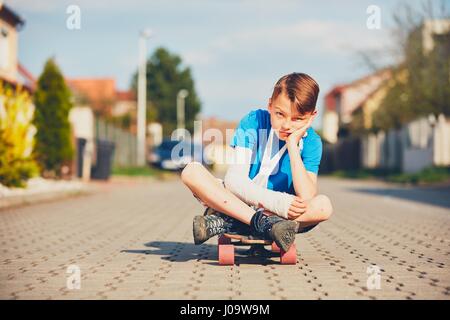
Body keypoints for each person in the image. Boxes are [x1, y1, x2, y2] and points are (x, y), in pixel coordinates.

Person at [181, 72, 333, 252]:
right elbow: (234, 181)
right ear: (270, 105)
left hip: (277, 214)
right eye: (280, 114)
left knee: (324, 206)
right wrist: (278, 202)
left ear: (312, 116)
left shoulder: (312, 142)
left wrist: (292, 146)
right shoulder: (254, 122)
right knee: (191, 171)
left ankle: (231, 223)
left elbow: (307, 196)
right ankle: (262, 224)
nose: (286, 125)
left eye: (297, 119)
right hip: (239, 202)